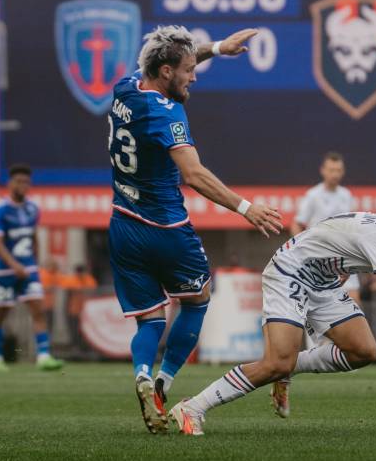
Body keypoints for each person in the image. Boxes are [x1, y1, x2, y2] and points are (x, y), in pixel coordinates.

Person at [168, 195, 376, 435]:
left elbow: (337, 234)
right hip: (290, 273)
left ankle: (288, 370)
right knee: (276, 362)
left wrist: (334, 264)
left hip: (324, 282)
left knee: (362, 351)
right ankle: (193, 408)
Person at [107, 25, 282, 434]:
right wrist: (245, 207)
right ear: (166, 72)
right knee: (198, 299)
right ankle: (165, 385)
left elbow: (172, 58)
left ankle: (143, 376)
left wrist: (218, 48)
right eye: (188, 70)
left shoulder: (125, 86)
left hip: (122, 224)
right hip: (166, 228)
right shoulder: (166, 112)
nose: (194, 76)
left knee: (150, 321)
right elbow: (194, 174)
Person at [0, 164, 64, 372]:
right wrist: (14, 265)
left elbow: (33, 236)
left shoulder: (32, 208)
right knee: (0, 314)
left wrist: (36, 263)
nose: (23, 185)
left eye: (26, 182)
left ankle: (44, 356)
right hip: (5, 270)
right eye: (19, 181)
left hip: (28, 268)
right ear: (10, 183)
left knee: (38, 309)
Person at [291, 152, 360, 303]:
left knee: (354, 303)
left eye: (338, 170)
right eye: (331, 170)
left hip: (344, 257)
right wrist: (301, 251)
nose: (335, 174)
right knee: (319, 308)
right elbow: (297, 224)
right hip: (319, 259)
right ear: (323, 170)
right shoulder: (313, 195)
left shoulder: (346, 195)